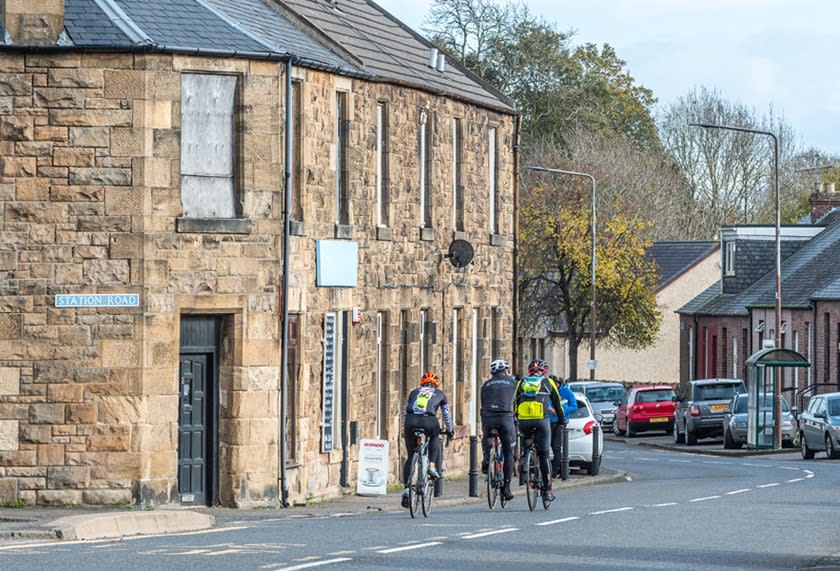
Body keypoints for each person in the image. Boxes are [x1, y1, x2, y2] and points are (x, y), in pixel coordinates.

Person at [401, 371, 453, 508]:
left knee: (411, 455)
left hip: (411, 421)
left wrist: (405, 428)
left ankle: (407, 489)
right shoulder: (440, 394)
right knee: (435, 436)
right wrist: (450, 430)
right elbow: (446, 415)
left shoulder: (414, 392)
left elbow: (406, 412)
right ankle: (431, 465)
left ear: (422, 384)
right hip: (429, 421)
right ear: (436, 385)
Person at [515, 360, 565, 502]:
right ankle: (548, 490)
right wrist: (562, 420)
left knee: (527, 440)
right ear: (545, 371)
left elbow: (515, 403)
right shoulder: (548, 382)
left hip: (524, 420)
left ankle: (525, 458)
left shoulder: (522, 382)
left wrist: (516, 418)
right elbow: (557, 404)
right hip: (542, 420)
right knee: (543, 454)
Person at [480, 358, 517, 501]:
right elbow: (515, 401)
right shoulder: (512, 382)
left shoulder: (486, 384)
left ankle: (486, 457)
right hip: (505, 418)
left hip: (488, 417)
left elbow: (483, 403)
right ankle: (506, 488)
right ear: (506, 371)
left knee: (487, 435)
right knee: (508, 452)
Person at [548, 373, 578, 478]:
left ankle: (556, 471)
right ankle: (550, 470)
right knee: (546, 447)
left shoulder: (566, 392)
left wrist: (561, 411)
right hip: (547, 421)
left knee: (556, 447)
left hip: (559, 422)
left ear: (557, 383)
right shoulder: (546, 391)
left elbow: (574, 406)